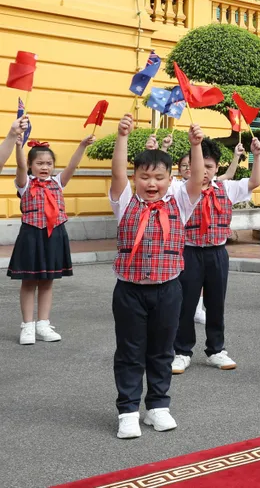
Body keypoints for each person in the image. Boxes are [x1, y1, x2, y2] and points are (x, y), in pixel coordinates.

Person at [109, 114, 205, 439]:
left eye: (159, 177)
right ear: (135, 178)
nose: (152, 183)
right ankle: (127, 411)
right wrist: (122, 137)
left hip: (168, 289)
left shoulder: (180, 202)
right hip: (129, 290)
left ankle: (158, 406)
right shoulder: (124, 201)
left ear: (170, 178)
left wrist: (195, 145)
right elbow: (117, 172)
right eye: (145, 177)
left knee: (163, 350)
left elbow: (196, 178)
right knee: (129, 352)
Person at [170, 137, 260, 375]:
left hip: (217, 253)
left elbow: (254, 182)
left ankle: (216, 350)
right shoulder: (181, 189)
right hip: (189, 251)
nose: (203, 171)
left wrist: (256, 155)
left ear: (217, 167)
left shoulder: (226, 188)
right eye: (198, 166)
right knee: (186, 303)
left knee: (215, 303)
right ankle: (181, 351)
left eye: (208, 167)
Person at [10, 131, 92, 345]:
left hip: (54, 234)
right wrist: (18, 146)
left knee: (47, 281)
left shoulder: (57, 182)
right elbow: (19, 166)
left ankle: (43, 324)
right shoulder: (24, 183)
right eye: (39, 163)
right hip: (31, 235)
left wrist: (82, 145)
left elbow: (72, 166)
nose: (45, 167)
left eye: (48, 163)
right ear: (31, 165)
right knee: (29, 281)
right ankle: (27, 326)